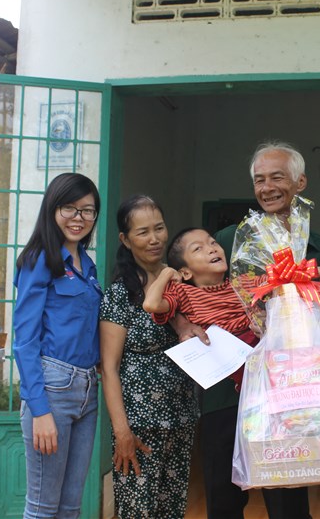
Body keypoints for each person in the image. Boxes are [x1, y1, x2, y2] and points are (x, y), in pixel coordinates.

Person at [171, 141, 320, 519]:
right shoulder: (227, 240)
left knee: (287, 496)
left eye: (277, 178)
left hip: (292, 388)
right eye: (259, 180)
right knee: (223, 494)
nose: (267, 188)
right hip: (227, 386)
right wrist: (183, 322)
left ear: (301, 182)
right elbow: (177, 286)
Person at [143, 227, 320, 389]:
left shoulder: (242, 283)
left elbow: (288, 275)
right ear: (185, 272)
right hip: (225, 365)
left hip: (261, 354)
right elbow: (151, 304)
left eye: (213, 242)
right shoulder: (183, 294)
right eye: (198, 248)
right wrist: (166, 273)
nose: (212, 248)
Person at [99, 195, 199, 519]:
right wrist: (122, 432)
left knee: (172, 510)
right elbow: (109, 368)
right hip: (140, 427)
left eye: (159, 228)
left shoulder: (181, 284)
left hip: (181, 418)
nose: (154, 238)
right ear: (125, 240)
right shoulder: (120, 294)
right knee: (138, 512)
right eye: (143, 232)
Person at [13, 172, 103, 519]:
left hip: (87, 389)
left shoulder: (88, 265)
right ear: (52, 209)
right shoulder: (39, 260)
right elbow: (25, 341)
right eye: (69, 208)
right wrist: (40, 411)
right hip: (52, 389)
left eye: (88, 210)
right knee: (42, 508)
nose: (79, 218)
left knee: (70, 508)